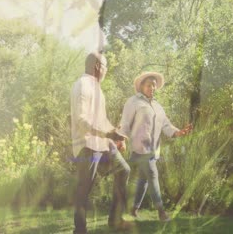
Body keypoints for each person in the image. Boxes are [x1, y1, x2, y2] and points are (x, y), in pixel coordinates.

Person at [70, 52, 133, 234]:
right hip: (87, 145)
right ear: (98, 67)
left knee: (123, 170)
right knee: (84, 189)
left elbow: (101, 120)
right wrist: (107, 133)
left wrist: (116, 135)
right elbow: (82, 120)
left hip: (102, 143)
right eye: (106, 67)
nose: (106, 71)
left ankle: (115, 219)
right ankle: (80, 230)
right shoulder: (82, 85)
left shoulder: (96, 88)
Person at [118, 72, 193, 222]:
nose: (152, 87)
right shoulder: (133, 102)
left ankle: (133, 210)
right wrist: (121, 139)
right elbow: (125, 123)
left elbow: (166, 125)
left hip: (153, 150)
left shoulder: (158, 106)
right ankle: (161, 213)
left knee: (143, 180)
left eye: (154, 85)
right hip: (140, 149)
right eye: (148, 84)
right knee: (152, 175)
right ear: (141, 86)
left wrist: (179, 132)